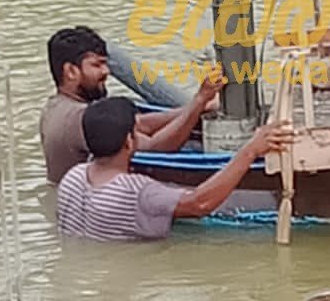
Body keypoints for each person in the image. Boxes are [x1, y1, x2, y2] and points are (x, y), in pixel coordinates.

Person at [56, 96, 293, 242]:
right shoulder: (137, 192)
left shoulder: (72, 177)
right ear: (129, 142)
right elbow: (199, 204)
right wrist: (250, 151)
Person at [40, 26, 224, 186]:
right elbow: (157, 148)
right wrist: (199, 101)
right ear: (71, 71)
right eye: (97, 65)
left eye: (105, 64)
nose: (106, 72)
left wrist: (199, 105)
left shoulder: (55, 106)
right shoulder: (80, 119)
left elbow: (140, 123)